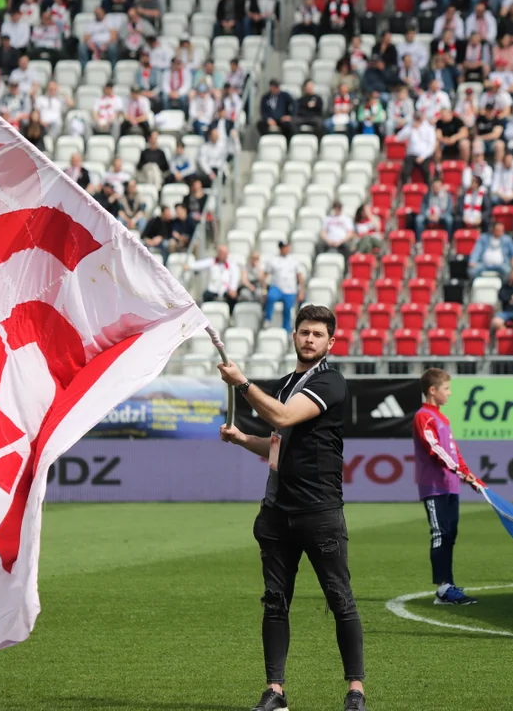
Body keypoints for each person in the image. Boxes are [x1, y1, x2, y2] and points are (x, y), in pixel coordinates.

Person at [217, 305, 368, 711]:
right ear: (294, 336)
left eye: (318, 334)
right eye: (304, 332)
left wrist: (242, 382)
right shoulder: (285, 383)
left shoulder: (331, 382)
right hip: (277, 511)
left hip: (319, 510)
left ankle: (355, 690)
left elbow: (282, 416)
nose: (309, 339)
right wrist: (241, 438)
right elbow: (277, 443)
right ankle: (275, 691)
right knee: (275, 601)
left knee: (340, 599)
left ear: (330, 342)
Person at [413, 368, 482, 606]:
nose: (449, 394)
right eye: (446, 389)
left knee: (450, 535)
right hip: (434, 486)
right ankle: (443, 588)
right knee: (440, 534)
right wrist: (461, 471)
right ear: (432, 391)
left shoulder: (442, 418)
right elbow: (436, 450)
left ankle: (448, 586)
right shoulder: (424, 416)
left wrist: (470, 476)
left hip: (450, 485)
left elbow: (453, 451)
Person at [263, 241, 305, 333]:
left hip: (290, 290)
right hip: (277, 287)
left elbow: (300, 277)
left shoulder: (294, 260)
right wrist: (264, 290)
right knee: (270, 297)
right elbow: (265, 275)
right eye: (283, 247)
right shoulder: (273, 260)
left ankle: (286, 330)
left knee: (287, 309)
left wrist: (301, 291)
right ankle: (268, 319)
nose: (285, 249)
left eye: (286, 247)